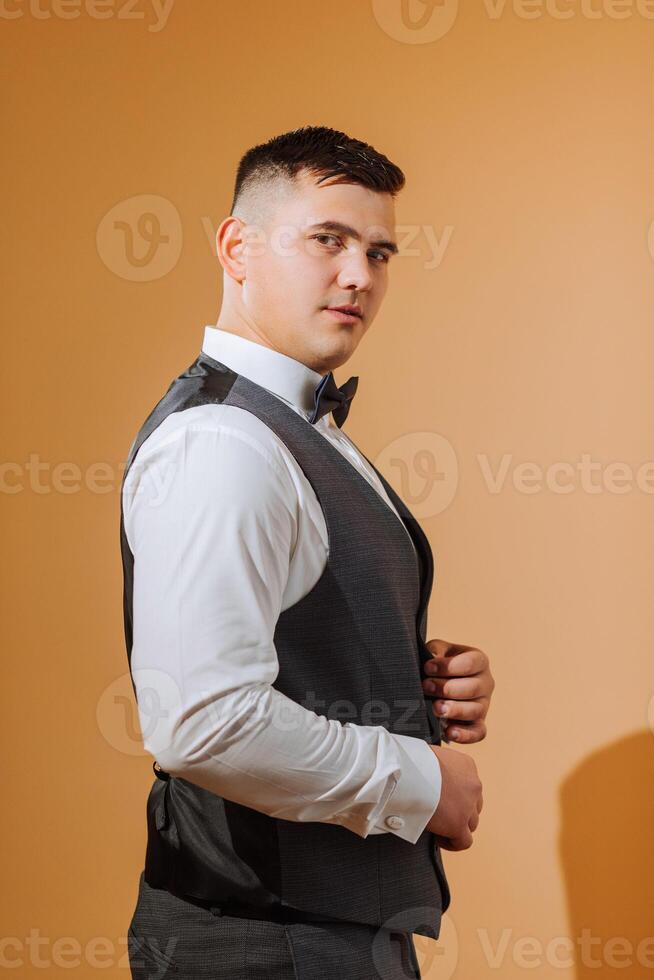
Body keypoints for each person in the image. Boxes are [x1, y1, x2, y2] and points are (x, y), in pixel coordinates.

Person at [120, 125, 493, 980]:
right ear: (236, 247)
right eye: (329, 239)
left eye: (380, 251)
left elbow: (304, 653)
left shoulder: (293, 426)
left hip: (325, 939)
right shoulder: (222, 441)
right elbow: (202, 721)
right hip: (263, 942)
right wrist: (425, 782)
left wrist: (421, 687)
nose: (360, 275)